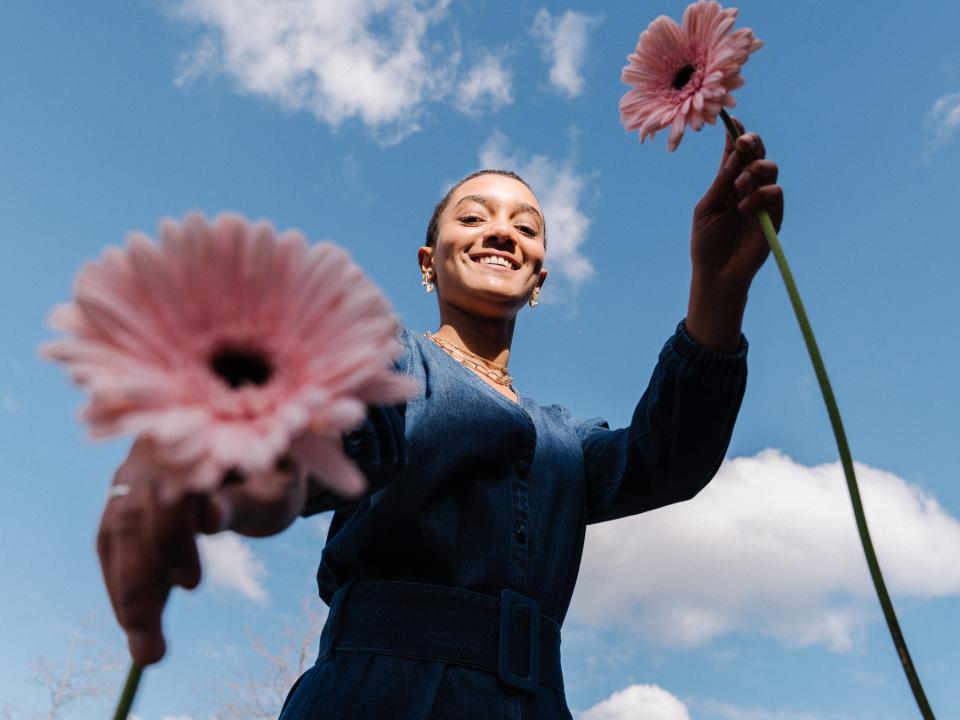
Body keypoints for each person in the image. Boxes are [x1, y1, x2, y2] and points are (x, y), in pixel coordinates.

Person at [97, 126, 782, 719]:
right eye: (474, 216)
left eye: (527, 225)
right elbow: (338, 424)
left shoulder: (566, 442)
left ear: (540, 280)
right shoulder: (392, 361)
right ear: (429, 264)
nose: (502, 231)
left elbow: (666, 459)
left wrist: (718, 293)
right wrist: (217, 460)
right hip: (380, 695)